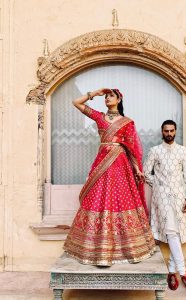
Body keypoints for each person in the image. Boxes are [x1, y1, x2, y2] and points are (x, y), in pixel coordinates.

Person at [63, 88, 155, 266]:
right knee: (99, 197)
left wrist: (137, 168)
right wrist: (94, 93)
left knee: (122, 200)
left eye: (111, 95)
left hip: (121, 164)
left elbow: (131, 147)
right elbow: (76, 102)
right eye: (106, 96)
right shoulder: (99, 117)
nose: (107, 98)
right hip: (102, 163)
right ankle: (97, 250)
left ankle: (128, 248)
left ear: (119, 99)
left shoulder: (127, 122)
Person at [143, 120, 186, 293]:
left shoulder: (183, 151)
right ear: (162, 131)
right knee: (172, 232)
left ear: (175, 131)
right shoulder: (155, 151)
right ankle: (183, 273)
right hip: (162, 198)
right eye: (166, 131)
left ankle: (171, 271)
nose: (169, 133)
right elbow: (145, 173)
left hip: (180, 197)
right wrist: (157, 185)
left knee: (177, 232)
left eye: (172, 131)